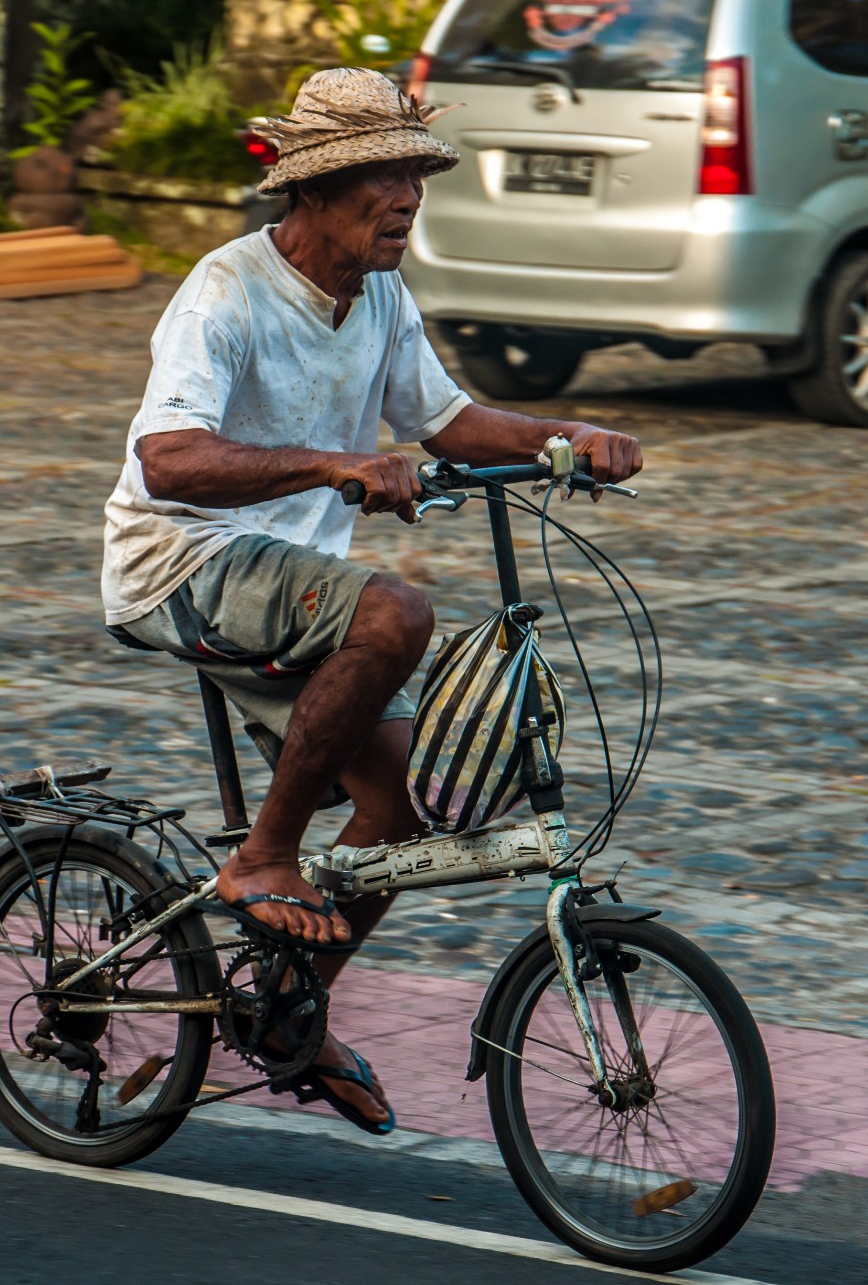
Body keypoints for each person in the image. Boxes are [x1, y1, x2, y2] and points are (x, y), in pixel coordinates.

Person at [101, 67, 643, 1134]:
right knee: (393, 611)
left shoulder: (380, 296)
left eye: (413, 175)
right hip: (185, 563)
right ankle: (262, 856)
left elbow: (445, 421)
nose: (405, 198)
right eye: (378, 177)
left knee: (405, 815)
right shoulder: (225, 290)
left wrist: (562, 437)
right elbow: (166, 460)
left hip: (294, 587)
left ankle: (287, 1010)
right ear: (310, 191)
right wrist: (333, 467)